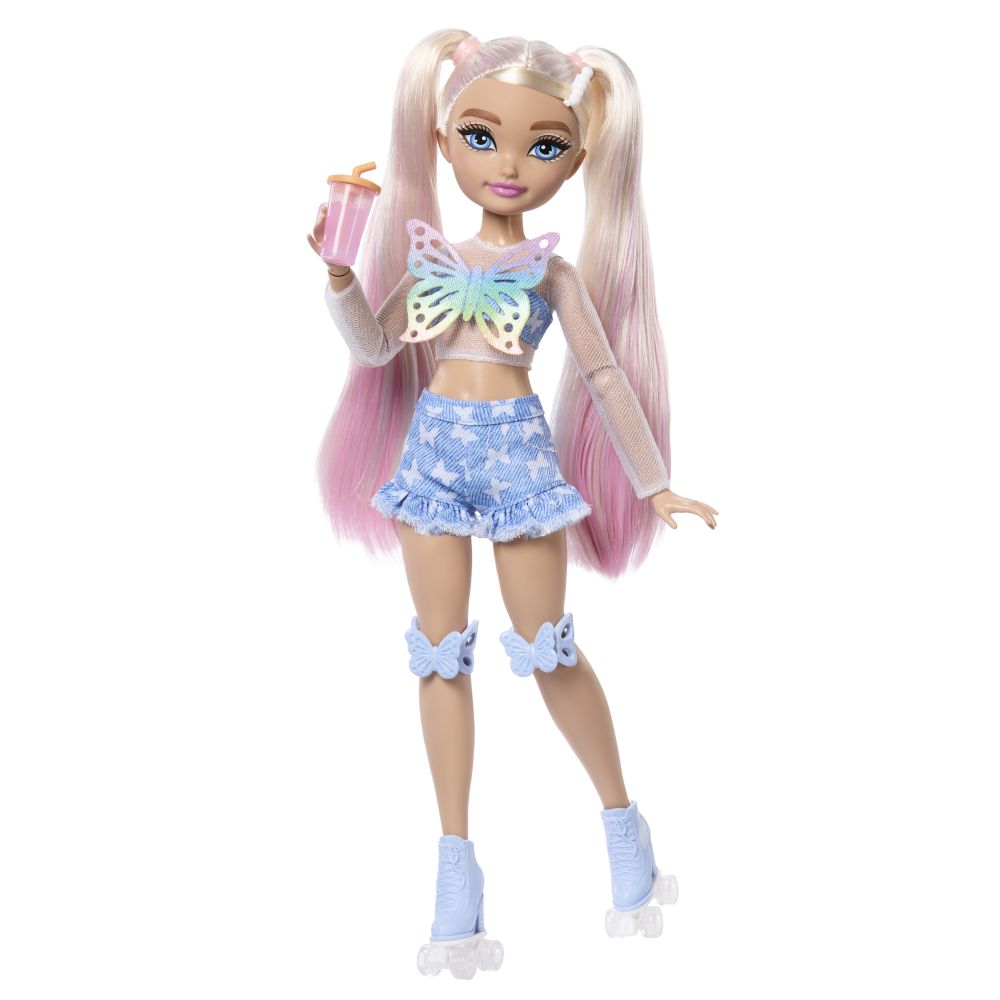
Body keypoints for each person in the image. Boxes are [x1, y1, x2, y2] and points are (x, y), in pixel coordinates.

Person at [307, 29, 718, 978]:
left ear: (577, 160)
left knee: (547, 648)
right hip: (433, 459)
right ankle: (456, 865)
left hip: (519, 460)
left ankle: (622, 823)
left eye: (545, 145)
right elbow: (376, 350)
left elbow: (604, 375)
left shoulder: (552, 272)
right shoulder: (431, 257)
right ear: (443, 142)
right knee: (440, 656)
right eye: (482, 136)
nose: (509, 163)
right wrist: (337, 276)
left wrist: (654, 483)